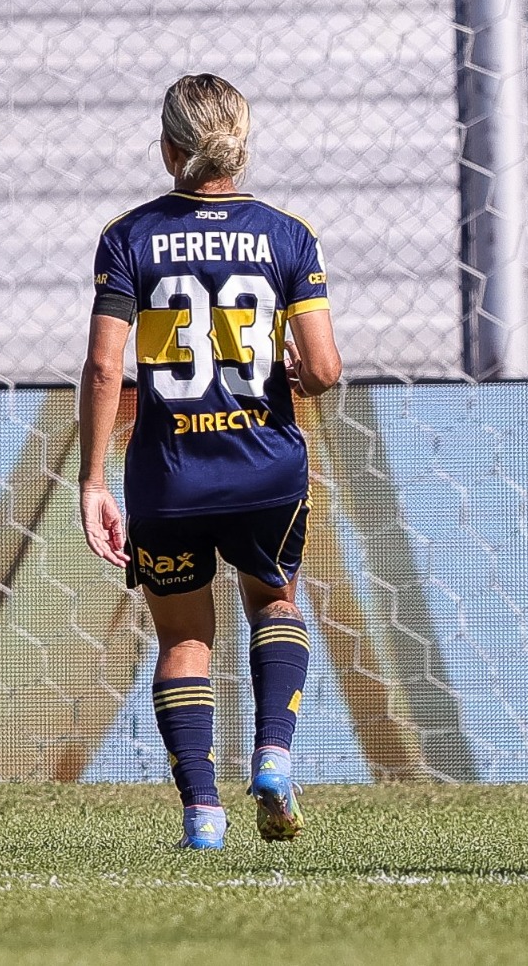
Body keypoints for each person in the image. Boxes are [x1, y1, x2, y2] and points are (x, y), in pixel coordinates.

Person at [77, 74, 342, 849]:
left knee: (184, 640)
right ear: (241, 145)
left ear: (168, 148)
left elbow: (103, 370)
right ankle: (273, 755)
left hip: (170, 472)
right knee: (274, 603)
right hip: (266, 465)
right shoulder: (287, 234)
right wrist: (288, 369)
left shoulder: (128, 236)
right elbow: (323, 370)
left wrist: (93, 480)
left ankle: (203, 814)